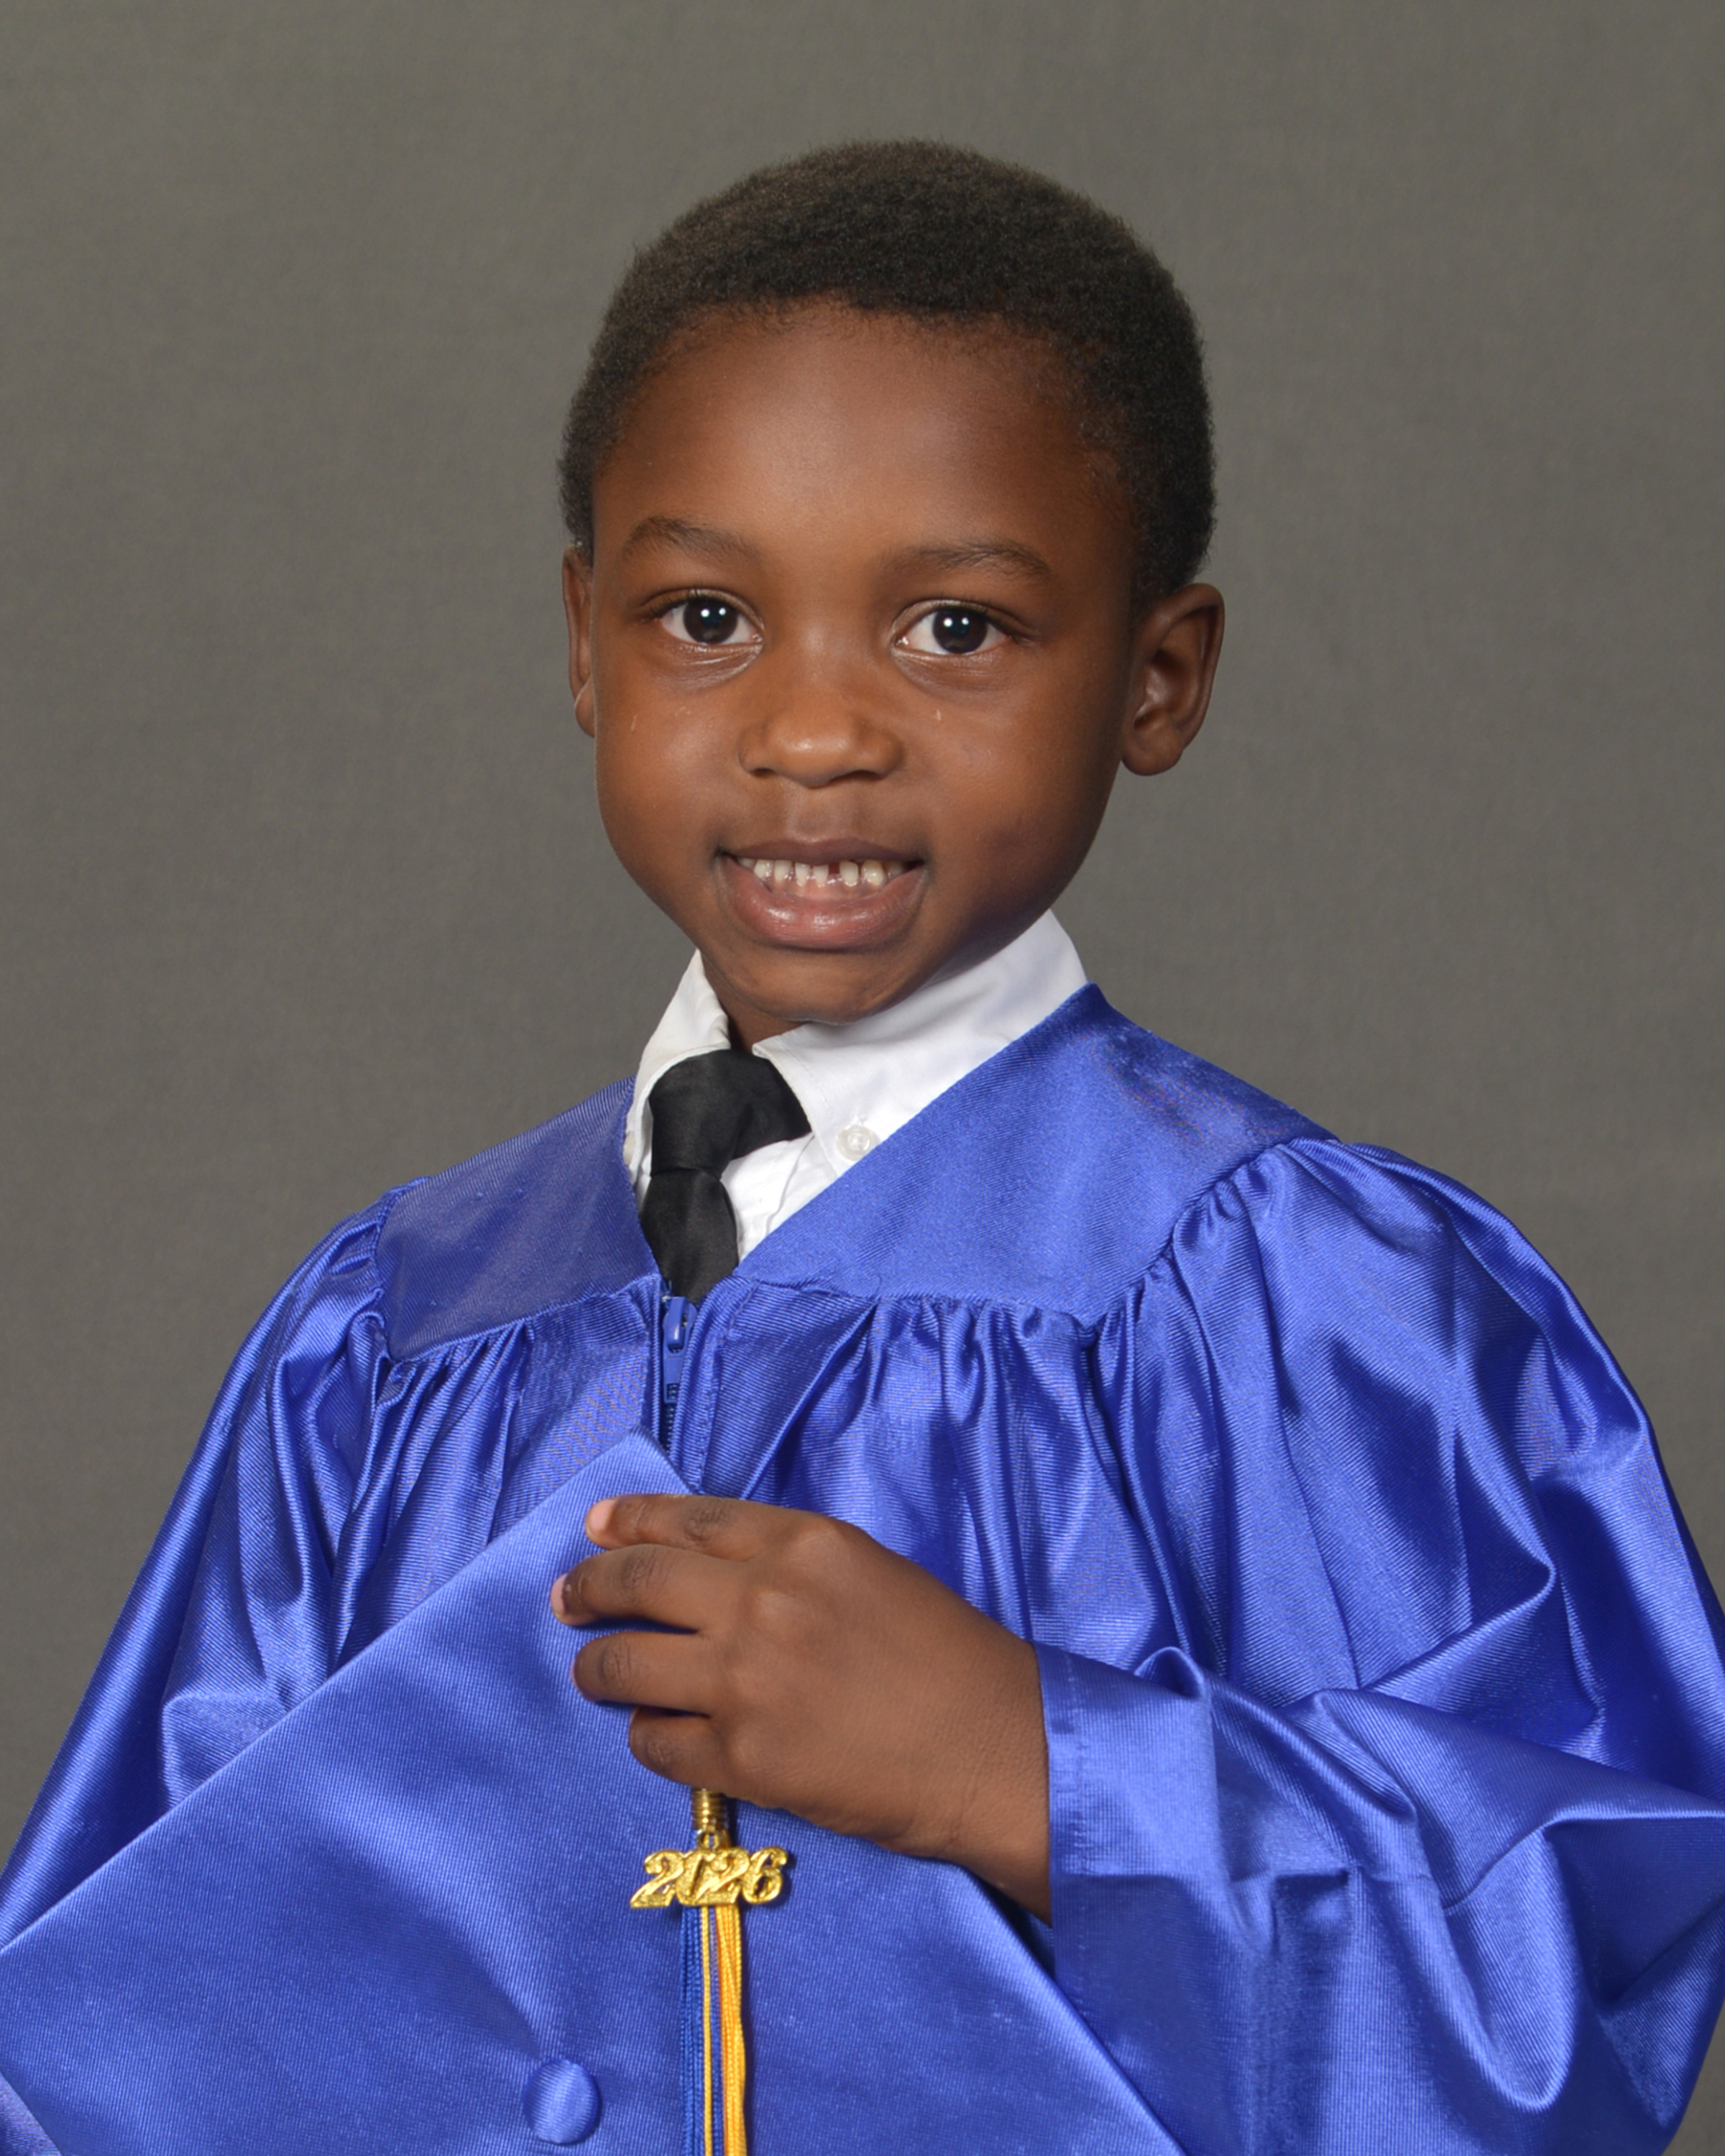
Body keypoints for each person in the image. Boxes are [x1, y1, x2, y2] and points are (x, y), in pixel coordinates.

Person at [2, 142, 1723, 2156]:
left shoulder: (1308, 1317)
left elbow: (1571, 1986)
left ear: (1159, 676)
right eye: (707, 615)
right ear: (583, 642)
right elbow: (107, 2040)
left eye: (957, 630)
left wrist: (1038, 1767)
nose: (815, 732)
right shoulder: (388, 1344)